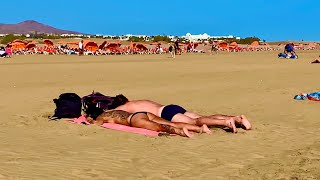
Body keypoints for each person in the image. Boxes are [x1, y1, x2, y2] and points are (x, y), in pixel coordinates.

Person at [108, 95, 252, 133]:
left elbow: (111, 113)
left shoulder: (127, 106)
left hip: (166, 113)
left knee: (195, 122)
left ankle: (226, 123)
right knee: (199, 117)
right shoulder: (139, 101)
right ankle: (236, 119)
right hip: (171, 107)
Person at [86, 110, 212, 138]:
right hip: (142, 113)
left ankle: (180, 132)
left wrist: (90, 120)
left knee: (159, 127)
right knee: (169, 122)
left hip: (133, 120)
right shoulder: (111, 111)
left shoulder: (101, 116)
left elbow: (96, 123)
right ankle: (200, 129)